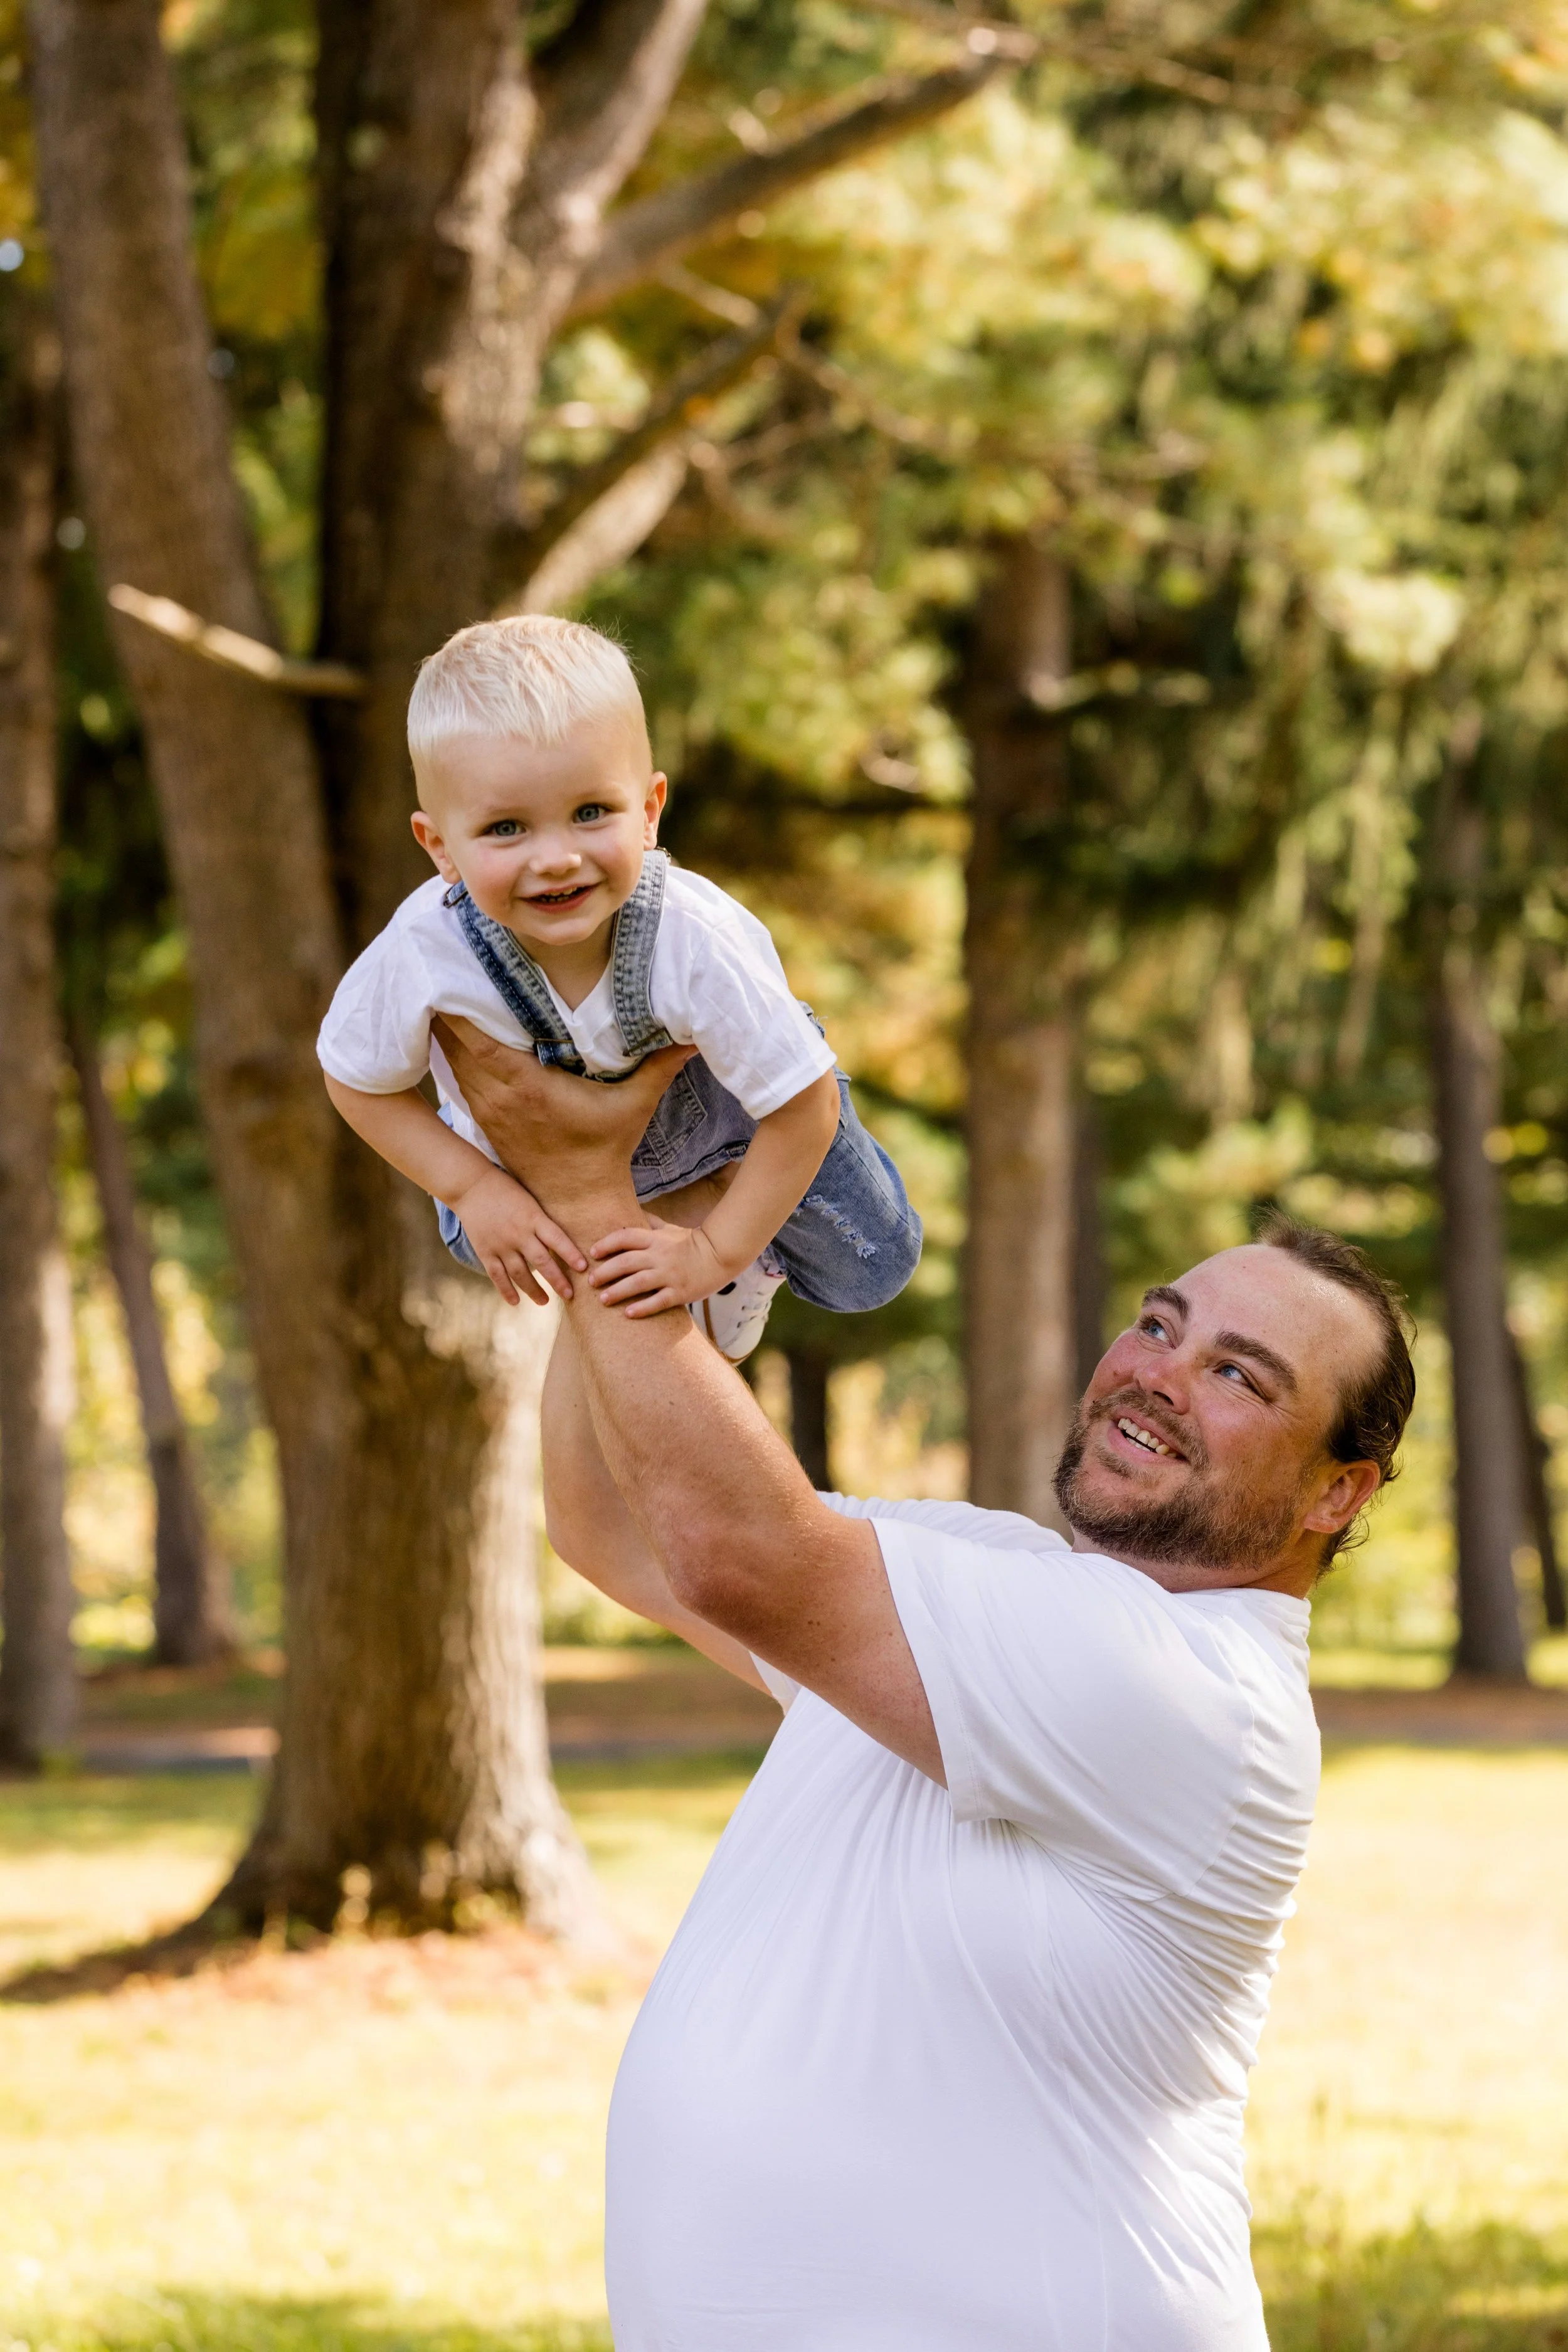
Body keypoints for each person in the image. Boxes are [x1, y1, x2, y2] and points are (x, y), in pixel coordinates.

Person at [434, 1018, 1417, 2352]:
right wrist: (662, 1209)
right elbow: (620, 1522)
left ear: (1334, 1491)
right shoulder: (985, 1578)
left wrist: (592, 1191)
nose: (1156, 1378)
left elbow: (736, 1556)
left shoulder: (1197, 1693)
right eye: (1158, 1325)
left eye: (1236, 1376)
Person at [316, 613, 921, 1361]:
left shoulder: (692, 937)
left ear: (649, 812)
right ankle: (669, 1233)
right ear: (439, 845)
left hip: (734, 1124)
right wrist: (473, 1191)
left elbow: (805, 1107)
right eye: (507, 828)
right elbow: (354, 1079)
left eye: (590, 813)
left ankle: (740, 1241)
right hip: (537, 1169)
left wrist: (715, 1255)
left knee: (870, 1269)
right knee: (490, 1252)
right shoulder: (423, 949)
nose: (557, 858)